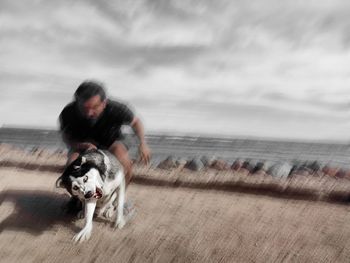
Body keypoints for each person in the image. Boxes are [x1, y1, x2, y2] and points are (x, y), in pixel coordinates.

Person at [59, 80, 151, 213]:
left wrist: (143, 143)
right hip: (83, 143)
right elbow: (66, 136)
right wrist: (78, 145)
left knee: (125, 162)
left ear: (104, 103)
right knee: (70, 166)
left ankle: (119, 199)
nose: (89, 113)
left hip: (111, 141)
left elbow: (136, 122)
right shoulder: (68, 112)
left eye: (95, 107)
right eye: (84, 108)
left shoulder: (117, 108)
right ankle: (77, 199)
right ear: (76, 102)